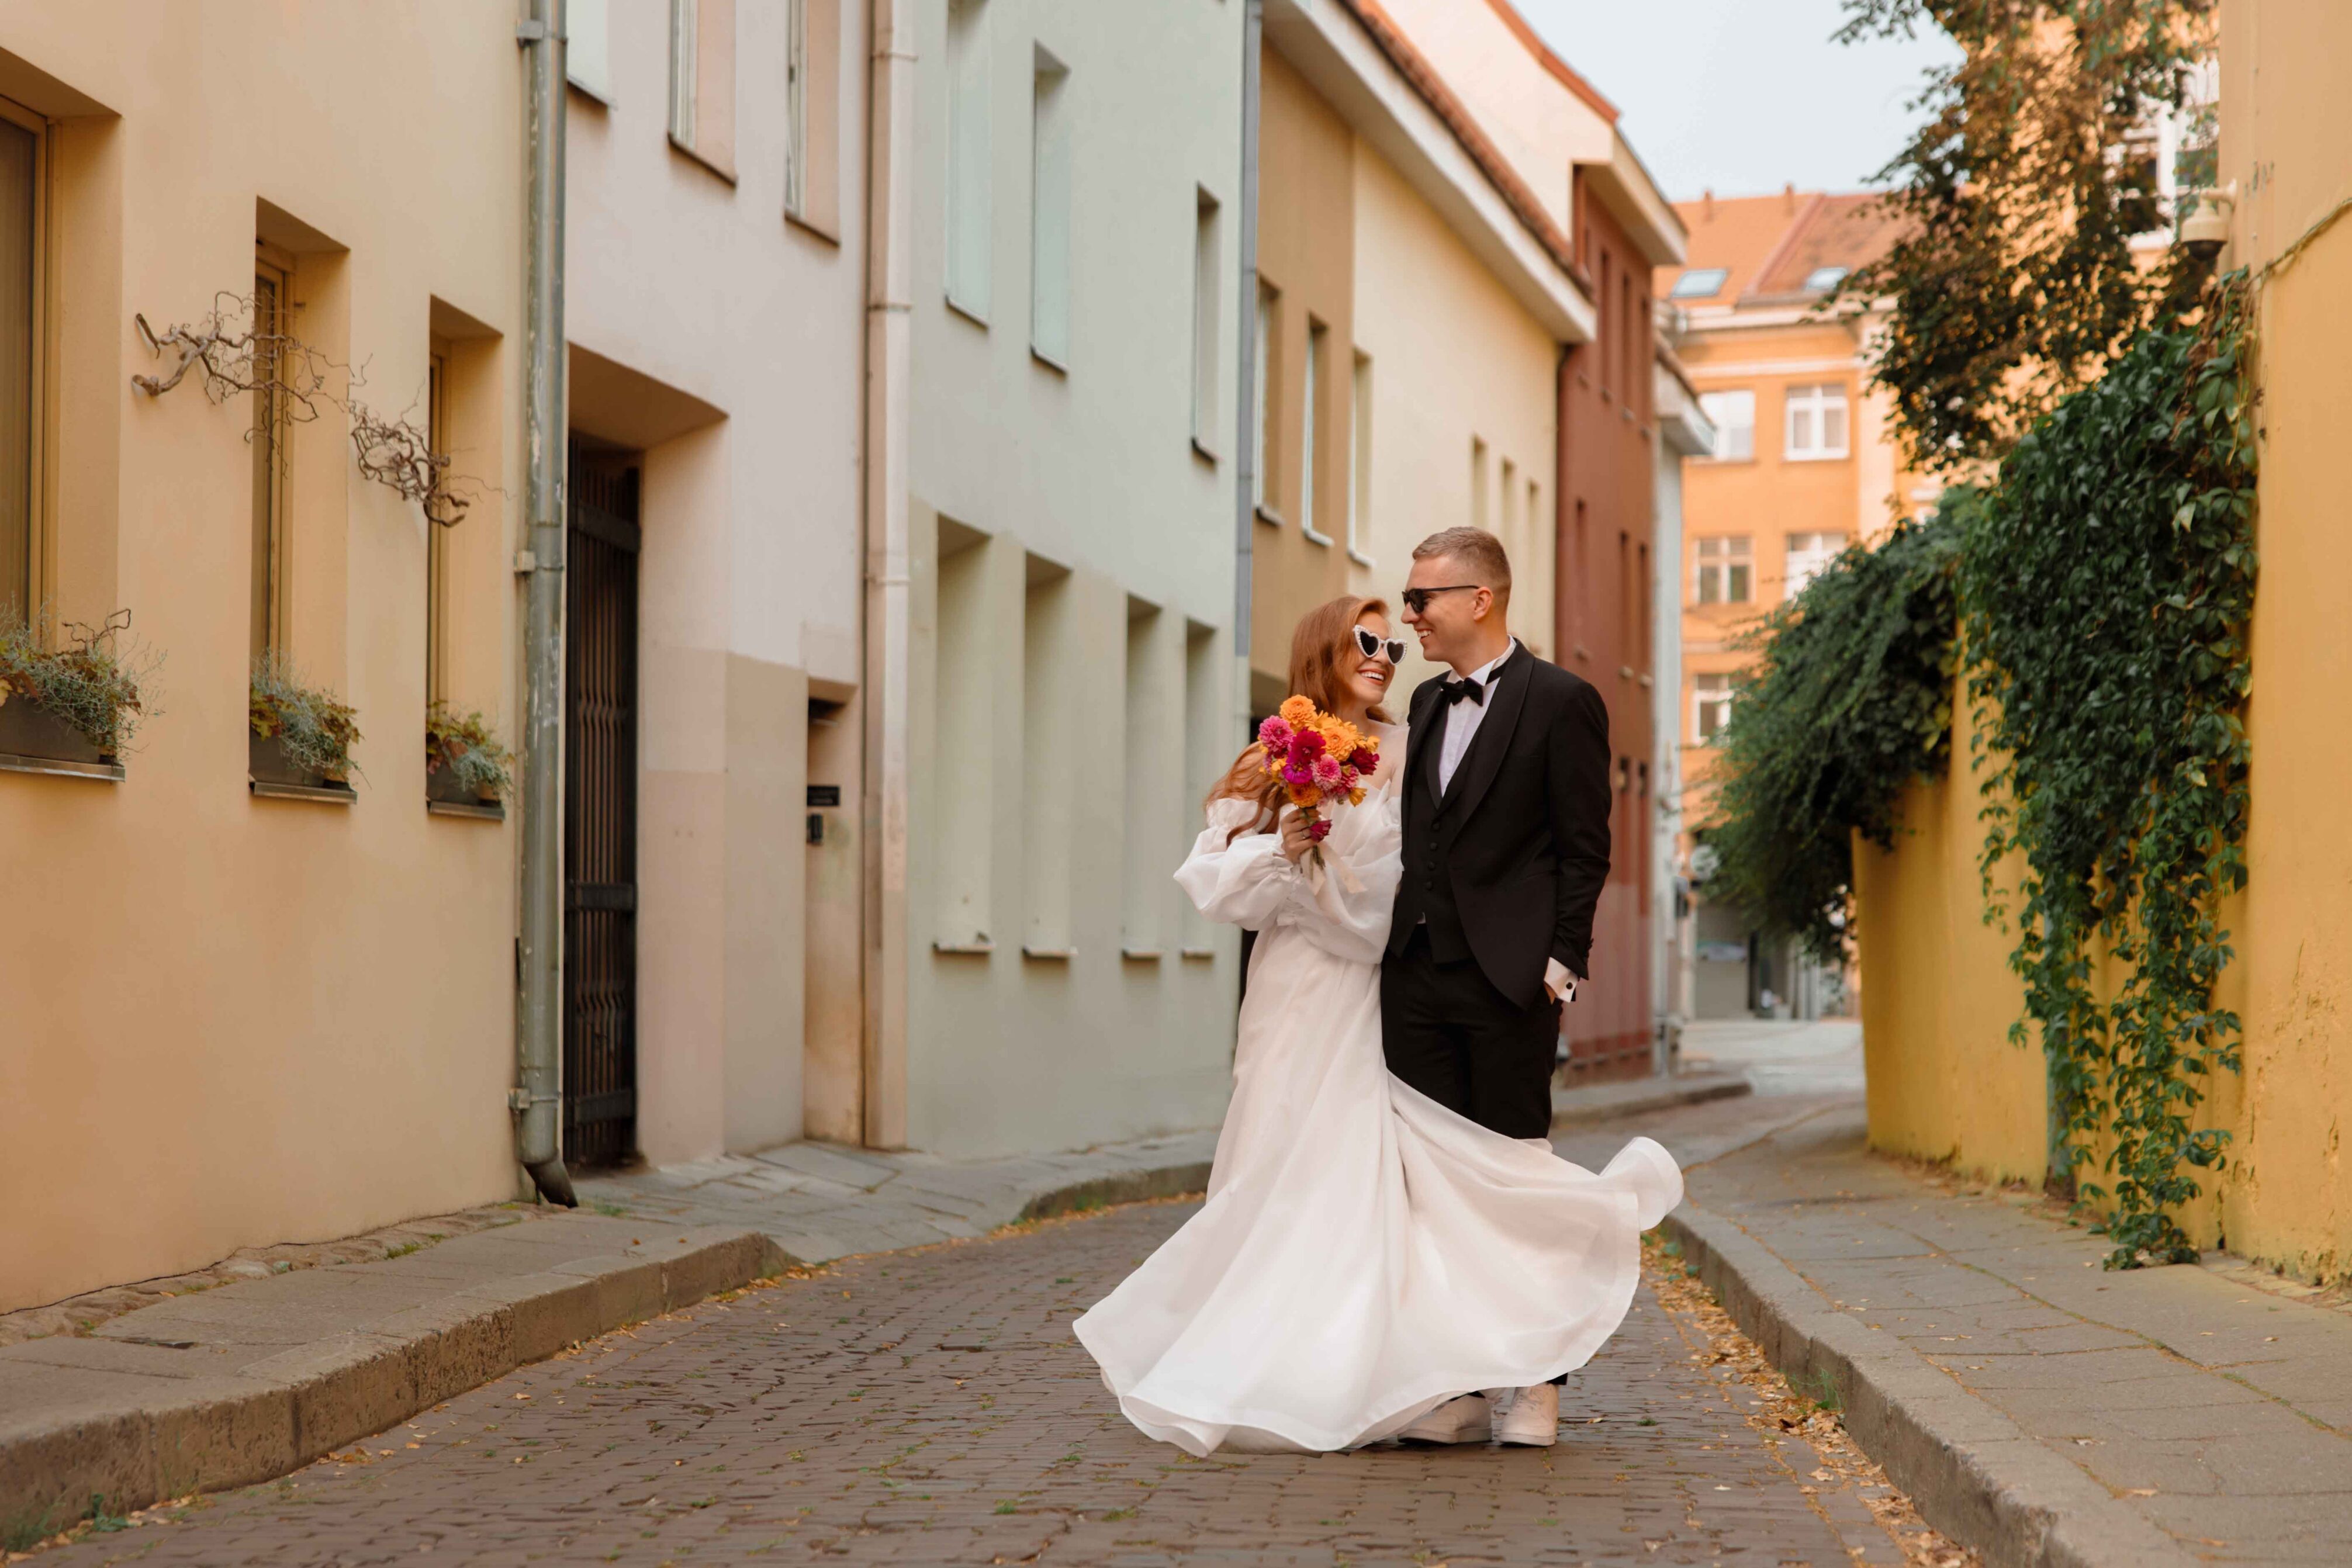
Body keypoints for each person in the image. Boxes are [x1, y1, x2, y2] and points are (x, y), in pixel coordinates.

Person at [1071, 581, 1677, 1457]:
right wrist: (1287, 849)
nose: (1383, 658)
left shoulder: (1419, 735)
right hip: (1296, 992)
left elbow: (1443, 870)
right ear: (1323, 645)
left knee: (1402, 1180)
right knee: (1277, 1169)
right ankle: (1306, 1365)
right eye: (1366, 640)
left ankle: (1458, 1366)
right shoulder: (1269, 757)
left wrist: (1546, 958)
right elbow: (1212, 884)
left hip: (1383, 988)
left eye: (1394, 647)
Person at [1381, 524, 1619, 1448]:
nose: (1411, 617)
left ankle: (1535, 1382)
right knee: (1432, 1189)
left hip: (1513, 984)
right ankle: (1459, 1386)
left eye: (1422, 599)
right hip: (1416, 979)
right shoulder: (1426, 703)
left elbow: (1583, 848)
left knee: (1516, 1184)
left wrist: (1559, 967)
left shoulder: (1564, 701)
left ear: (1480, 599)